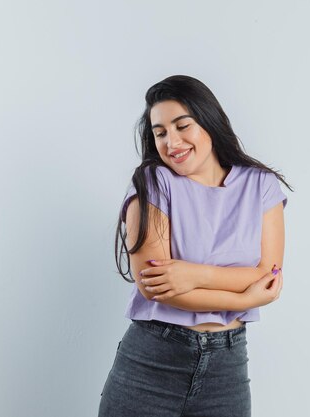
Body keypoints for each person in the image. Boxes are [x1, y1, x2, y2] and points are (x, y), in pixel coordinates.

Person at [99, 75, 293, 417]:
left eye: (182, 126)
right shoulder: (153, 182)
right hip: (151, 362)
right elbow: (157, 287)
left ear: (209, 121)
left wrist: (193, 274)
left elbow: (268, 274)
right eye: (160, 133)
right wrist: (245, 299)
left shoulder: (261, 185)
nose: (171, 141)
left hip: (227, 369)